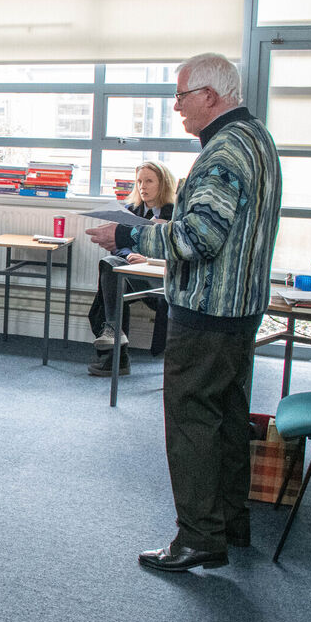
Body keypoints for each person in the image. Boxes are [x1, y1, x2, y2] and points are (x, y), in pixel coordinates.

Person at [85, 53, 282, 572]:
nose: (176, 108)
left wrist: (126, 232)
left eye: (180, 96)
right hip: (241, 311)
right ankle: (230, 523)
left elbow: (197, 238)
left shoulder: (222, 154)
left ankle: (198, 537)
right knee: (228, 418)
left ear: (211, 96)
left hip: (208, 312)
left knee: (192, 422)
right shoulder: (258, 139)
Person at [85, 161, 176, 377]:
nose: (143, 186)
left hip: (159, 277)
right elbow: (118, 246)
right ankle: (116, 344)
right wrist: (129, 255)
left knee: (111, 284)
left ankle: (116, 355)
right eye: (139, 181)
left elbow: (174, 247)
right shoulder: (132, 210)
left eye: (149, 181)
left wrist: (146, 255)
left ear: (163, 184)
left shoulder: (173, 212)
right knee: (110, 266)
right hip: (132, 273)